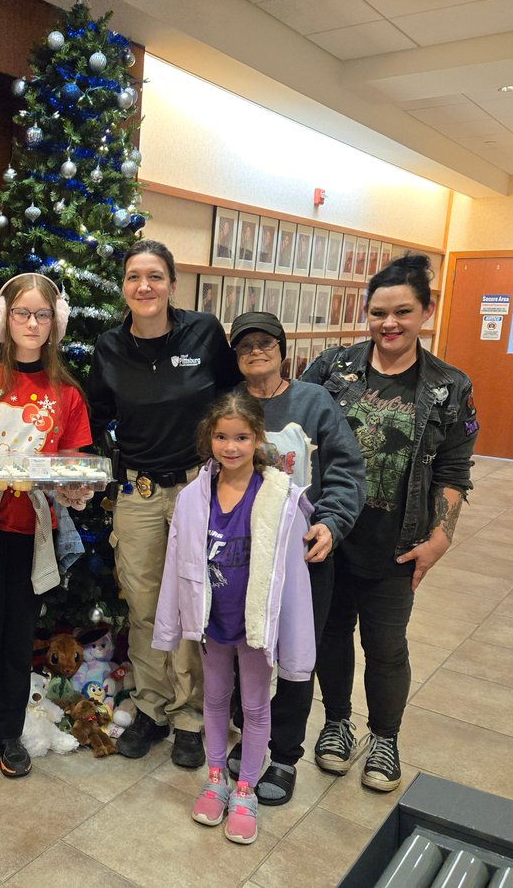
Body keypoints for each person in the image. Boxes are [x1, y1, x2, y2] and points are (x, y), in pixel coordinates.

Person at [302, 254, 478, 791]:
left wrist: (440, 538)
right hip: (328, 535)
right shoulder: (332, 368)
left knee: (385, 645)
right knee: (330, 635)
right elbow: (289, 428)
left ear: (426, 311)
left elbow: (454, 469)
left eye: (403, 311)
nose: (389, 324)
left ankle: (385, 737)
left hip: (397, 543)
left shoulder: (449, 385)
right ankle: (336, 723)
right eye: (378, 312)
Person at [87, 238, 241, 768]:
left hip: (199, 488)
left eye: (155, 276)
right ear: (123, 287)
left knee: (194, 603)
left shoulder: (203, 333)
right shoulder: (109, 347)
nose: (144, 286)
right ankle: (152, 709)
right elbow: (94, 417)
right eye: (134, 277)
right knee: (146, 604)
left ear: (172, 284)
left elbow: (231, 399)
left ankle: (192, 716)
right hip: (138, 495)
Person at [0, 272, 92, 779]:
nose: (32, 322)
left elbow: (73, 463)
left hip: (35, 535)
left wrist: (77, 489)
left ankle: (9, 731)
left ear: (56, 323)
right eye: (22, 313)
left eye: (43, 314)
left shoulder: (66, 392)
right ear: (3, 320)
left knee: (18, 635)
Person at [153, 392, 314, 845]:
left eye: (241, 437)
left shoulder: (280, 499)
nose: (231, 446)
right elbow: (177, 564)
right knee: (216, 701)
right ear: (209, 439)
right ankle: (216, 777)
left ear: (257, 438)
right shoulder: (192, 497)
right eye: (222, 436)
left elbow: (294, 578)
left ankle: (246, 789)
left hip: (254, 626)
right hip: (214, 623)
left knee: (256, 706)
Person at [224, 312, 365, 806]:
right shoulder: (231, 405)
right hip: (242, 558)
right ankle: (251, 738)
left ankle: (284, 755)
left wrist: (331, 522)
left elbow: (347, 471)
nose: (256, 352)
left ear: (283, 350)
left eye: (266, 343)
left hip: (304, 558)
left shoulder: (314, 402)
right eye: (245, 346)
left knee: (294, 657)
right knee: (245, 651)